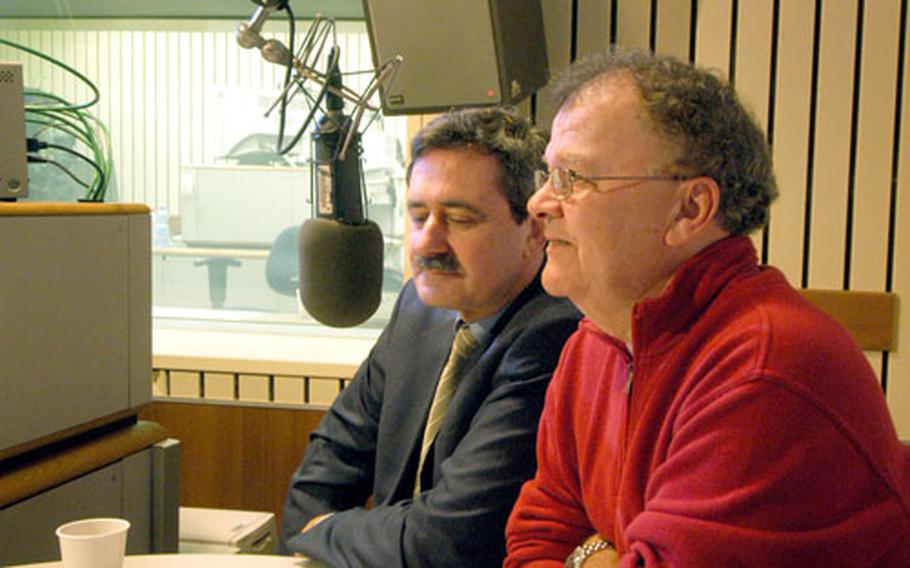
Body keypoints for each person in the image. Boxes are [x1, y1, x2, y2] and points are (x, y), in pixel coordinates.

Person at [505, 47, 910, 567]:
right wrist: (595, 554)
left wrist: (587, 552)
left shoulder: (765, 365)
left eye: (574, 178)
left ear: (690, 209)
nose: (539, 202)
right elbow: (536, 534)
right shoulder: (593, 344)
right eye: (548, 173)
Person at [280, 106, 582, 567]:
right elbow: (332, 457)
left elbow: (448, 538)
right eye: (419, 216)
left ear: (534, 230)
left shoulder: (558, 335)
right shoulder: (419, 306)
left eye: (459, 220)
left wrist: (323, 534)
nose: (427, 243)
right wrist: (310, 535)